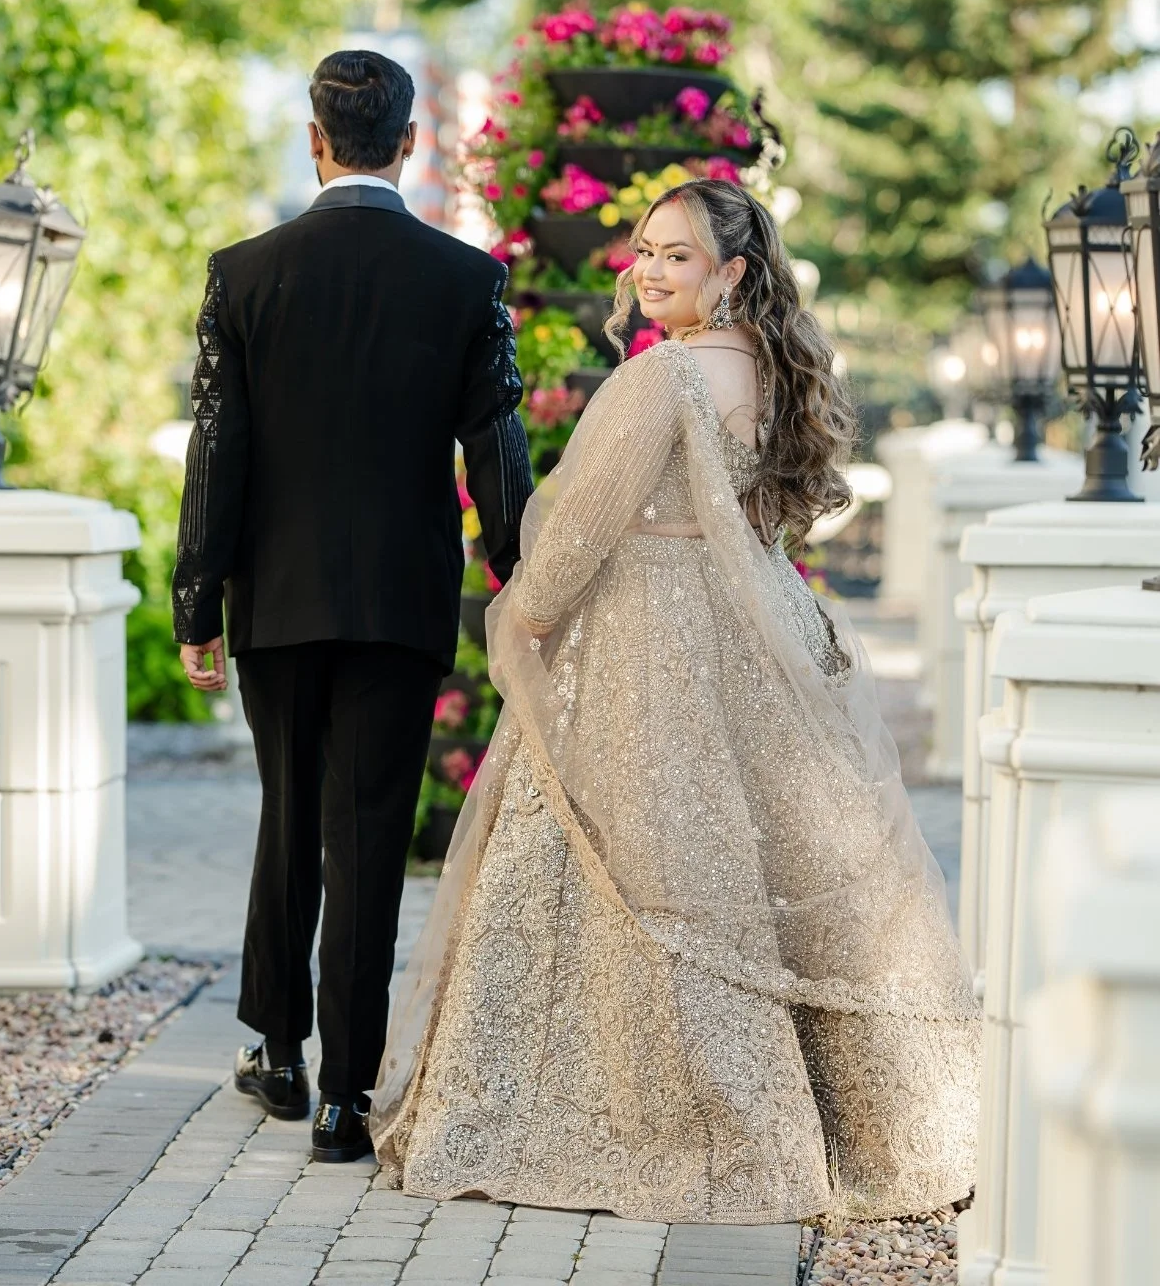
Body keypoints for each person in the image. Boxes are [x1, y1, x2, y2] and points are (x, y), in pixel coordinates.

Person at [372, 177, 980, 1223]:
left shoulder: (662, 381)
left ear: (733, 272)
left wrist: (521, 618)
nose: (648, 271)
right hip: (750, 632)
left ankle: (675, 1114)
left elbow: (571, 542)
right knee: (745, 860)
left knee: (645, 859)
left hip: (650, 641)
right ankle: (839, 1120)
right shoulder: (775, 373)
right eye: (644, 250)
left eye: (677, 256)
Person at [172, 50, 533, 1163]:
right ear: (411, 143)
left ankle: (276, 1051)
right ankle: (344, 1100)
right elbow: (496, 445)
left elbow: (216, 452)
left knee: (289, 815)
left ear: (314, 139)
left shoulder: (245, 272)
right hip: (397, 596)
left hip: (274, 597)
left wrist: (198, 598)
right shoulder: (464, 279)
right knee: (369, 840)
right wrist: (519, 572)